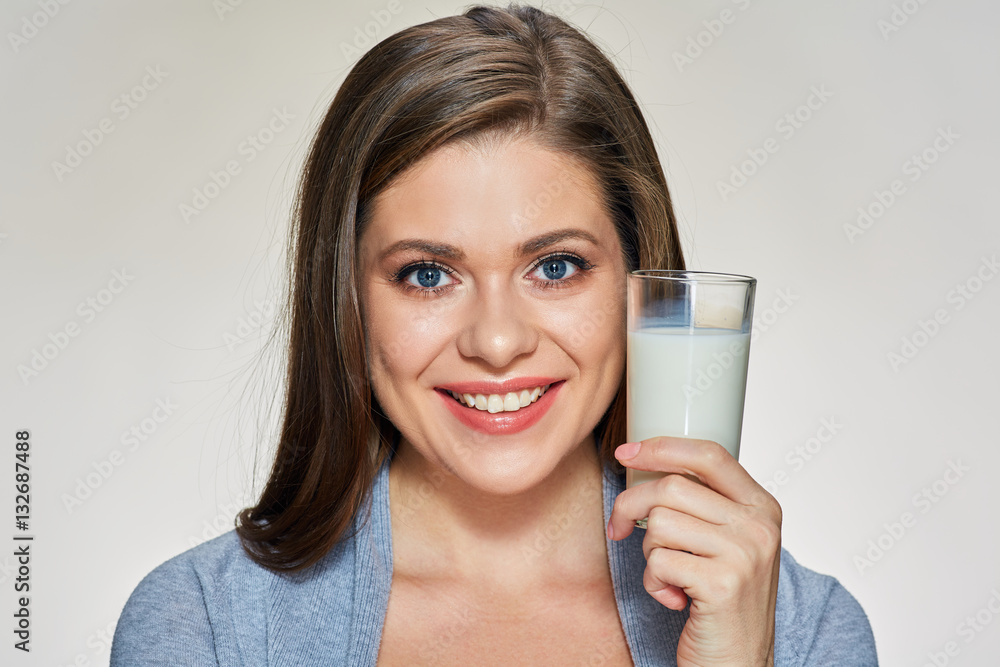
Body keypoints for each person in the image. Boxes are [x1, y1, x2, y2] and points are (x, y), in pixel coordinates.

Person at [111, 4, 878, 665]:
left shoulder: (803, 632)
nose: (499, 342)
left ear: (637, 284)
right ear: (347, 298)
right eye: (427, 274)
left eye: (555, 265)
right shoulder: (205, 626)